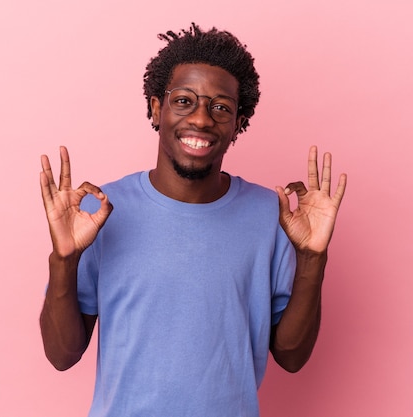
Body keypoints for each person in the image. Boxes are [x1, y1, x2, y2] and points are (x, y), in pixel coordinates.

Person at [39, 23, 347, 417]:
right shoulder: (101, 211)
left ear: (238, 124)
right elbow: (62, 355)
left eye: (220, 107)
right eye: (184, 100)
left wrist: (313, 258)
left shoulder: (272, 215)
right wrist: (63, 260)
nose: (201, 119)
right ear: (156, 108)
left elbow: (291, 356)